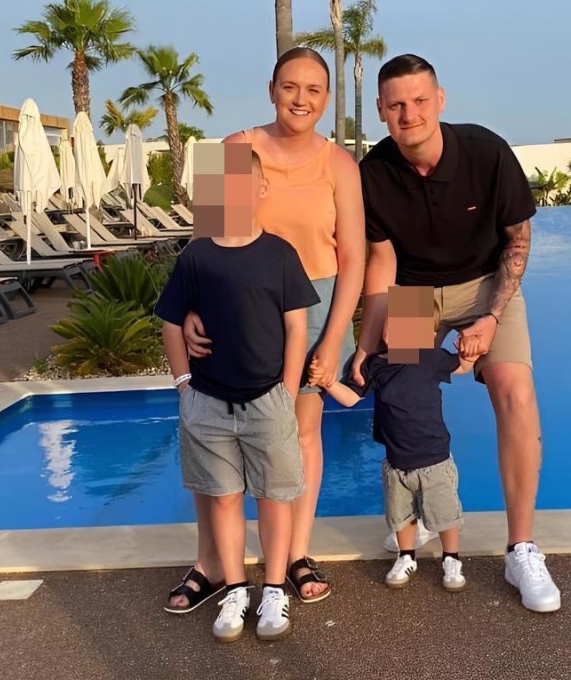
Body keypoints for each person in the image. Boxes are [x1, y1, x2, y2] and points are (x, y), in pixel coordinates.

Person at [353, 54, 561, 613]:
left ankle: (522, 548)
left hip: (484, 285)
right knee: (397, 402)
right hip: (415, 294)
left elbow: (517, 242)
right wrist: (367, 341)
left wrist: (490, 317)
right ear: (380, 111)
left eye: (419, 100)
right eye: (396, 104)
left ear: (440, 100)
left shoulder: (486, 152)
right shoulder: (373, 172)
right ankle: (413, 523)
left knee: (515, 393)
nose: (409, 113)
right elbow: (380, 262)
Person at [179, 47, 365, 605]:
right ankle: (212, 563)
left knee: (297, 436)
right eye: (290, 86)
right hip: (232, 307)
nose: (300, 98)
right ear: (271, 89)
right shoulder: (235, 150)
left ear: (326, 99)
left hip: (312, 306)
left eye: (313, 89)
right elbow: (202, 239)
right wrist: (190, 307)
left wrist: (331, 339)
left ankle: (293, 556)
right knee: (213, 439)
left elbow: (353, 257)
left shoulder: (339, 165)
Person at [156, 146, 319, 642]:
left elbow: (297, 327)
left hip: (267, 400)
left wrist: (289, 390)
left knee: (274, 499)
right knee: (224, 499)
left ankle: (273, 589)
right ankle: (233, 589)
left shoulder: (279, 254)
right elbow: (169, 319)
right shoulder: (197, 256)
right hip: (207, 403)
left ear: (260, 190)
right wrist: (183, 383)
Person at [322, 286, 479, 591]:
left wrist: (469, 352)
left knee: (445, 514)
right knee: (400, 515)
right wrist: (328, 382)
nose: (395, 331)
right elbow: (352, 398)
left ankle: (451, 558)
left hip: (435, 459)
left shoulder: (431, 358)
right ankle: (407, 556)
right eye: (390, 324)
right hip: (396, 461)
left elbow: (461, 367)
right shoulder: (375, 365)